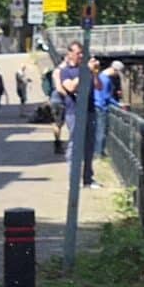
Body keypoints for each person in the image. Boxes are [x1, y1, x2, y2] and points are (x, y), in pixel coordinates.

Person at [55, 41, 97, 186]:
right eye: (78, 53)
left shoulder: (86, 69)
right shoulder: (65, 71)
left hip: (90, 110)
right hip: (74, 112)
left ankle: (88, 179)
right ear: (70, 54)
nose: (81, 56)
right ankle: (74, 179)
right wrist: (86, 72)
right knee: (75, 144)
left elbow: (98, 86)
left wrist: (95, 73)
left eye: (82, 53)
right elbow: (71, 87)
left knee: (90, 146)